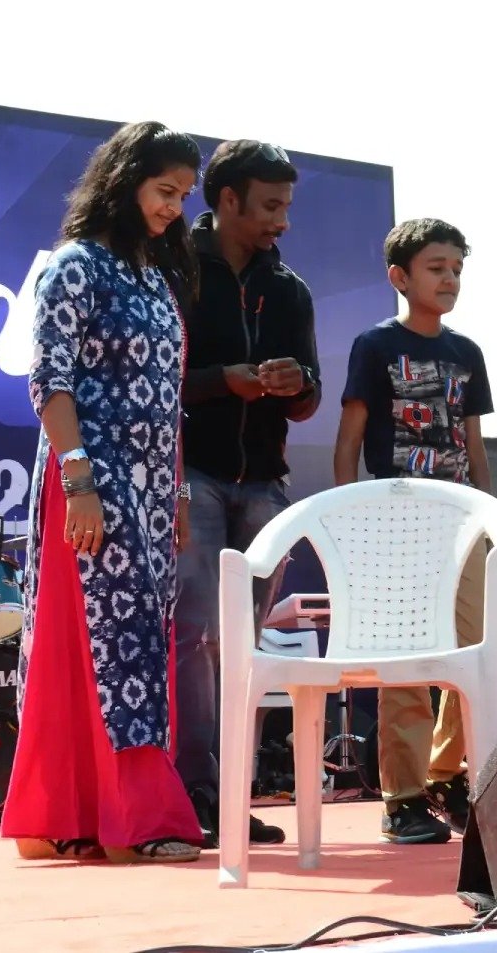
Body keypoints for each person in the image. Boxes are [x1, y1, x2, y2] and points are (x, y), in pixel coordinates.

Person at [2, 121, 205, 864]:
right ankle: (132, 818)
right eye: (163, 191)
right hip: (92, 478)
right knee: (96, 645)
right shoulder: (75, 265)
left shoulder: (155, 278)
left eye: (183, 195)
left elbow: (166, 395)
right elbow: (49, 382)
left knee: (138, 646)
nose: (173, 208)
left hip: (153, 491)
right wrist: (80, 481)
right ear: (124, 184)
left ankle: (83, 815)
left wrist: (176, 494)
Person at [174, 140, 321, 848]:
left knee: (245, 645)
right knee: (195, 636)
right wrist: (221, 380)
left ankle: (232, 797)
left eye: (287, 206)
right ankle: (192, 797)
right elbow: (145, 377)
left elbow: (308, 399)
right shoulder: (173, 270)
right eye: (269, 205)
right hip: (190, 477)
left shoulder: (289, 289)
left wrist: (297, 383)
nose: (282, 221)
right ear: (225, 200)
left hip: (264, 484)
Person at [333, 218, 492, 844]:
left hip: (461, 522)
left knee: (476, 651)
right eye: (435, 267)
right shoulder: (374, 346)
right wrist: (349, 522)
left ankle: (447, 773)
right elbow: (350, 439)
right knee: (407, 658)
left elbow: (473, 444)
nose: (449, 278)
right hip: (394, 521)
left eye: (456, 267)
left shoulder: (467, 352)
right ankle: (401, 798)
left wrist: (489, 515)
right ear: (400, 278)